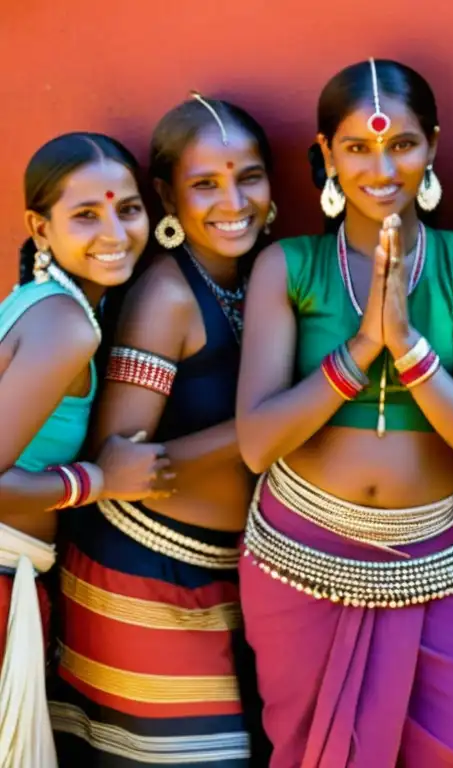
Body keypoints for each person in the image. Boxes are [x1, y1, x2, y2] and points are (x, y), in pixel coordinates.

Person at [235, 58, 453, 767]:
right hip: (300, 561)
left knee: (450, 748)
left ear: (434, 146)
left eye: (402, 144)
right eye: (357, 146)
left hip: (434, 563)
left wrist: (411, 351)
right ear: (327, 153)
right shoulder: (287, 267)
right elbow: (258, 443)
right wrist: (361, 350)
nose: (382, 166)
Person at [47, 96, 274, 766]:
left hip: (234, 578)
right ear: (165, 195)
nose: (233, 201)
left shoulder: (267, 274)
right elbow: (125, 462)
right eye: (205, 184)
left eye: (250, 176)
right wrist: (282, 418)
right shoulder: (168, 298)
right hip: (143, 574)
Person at [0, 133, 169, 766]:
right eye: (86, 216)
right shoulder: (66, 327)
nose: (115, 232)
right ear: (39, 229)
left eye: (127, 210)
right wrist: (97, 481)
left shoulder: (43, 307)